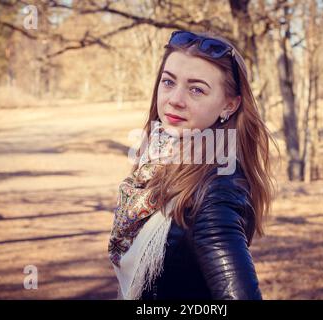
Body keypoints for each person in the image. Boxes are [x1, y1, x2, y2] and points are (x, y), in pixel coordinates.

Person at [107, 29, 278, 300]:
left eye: (196, 89)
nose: (175, 99)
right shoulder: (159, 162)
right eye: (168, 82)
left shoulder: (216, 192)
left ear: (229, 106)